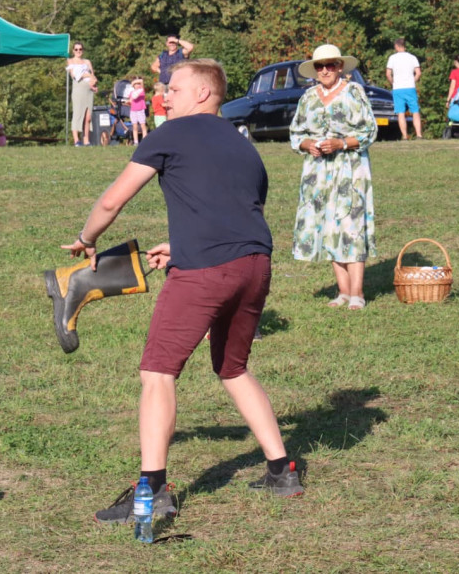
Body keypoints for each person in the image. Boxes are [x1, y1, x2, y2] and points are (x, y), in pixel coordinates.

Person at [63, 58, 304, 526]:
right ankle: (282, 470)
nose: (164, 96)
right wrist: (181, 246)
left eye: (173, 88)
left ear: (201, 94)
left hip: (206, 271)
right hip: (255, 265)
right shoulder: (243, 146)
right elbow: (236, 210)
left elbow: (114, 199)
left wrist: (87, 240)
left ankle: (151, 491)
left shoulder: (170, 134)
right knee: (233, 368)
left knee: (157, 372)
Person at [290, 44, 377, 310]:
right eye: (319, 66)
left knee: (350, 225)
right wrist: (308, 145)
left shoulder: (354, 91)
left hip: (349, 167)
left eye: (330, 65)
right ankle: (342, 291)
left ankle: (357, 293)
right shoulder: (307, 97)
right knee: (327, 226)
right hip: (317, 171)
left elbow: (369, 130)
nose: (325, 70)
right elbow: (296, 133)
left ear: (340, 66)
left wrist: (341, 144)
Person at [386, 38, 423, 140]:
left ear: (396, 46)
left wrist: (393, 82)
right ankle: (419, 135)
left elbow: (388, 74)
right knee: (415, 111)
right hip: (410, 87)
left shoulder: (392, 58)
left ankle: (405, 136)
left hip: (398, 88)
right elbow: (418, 73)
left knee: (400, 113)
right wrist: (412, 80)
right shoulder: (412, 57)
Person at [66, 41, 98, 146]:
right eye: (76, 49)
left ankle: (86, 140)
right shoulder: (70, 61)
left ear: (83, 51)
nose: (78, 51)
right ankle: (76, 140)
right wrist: (86, 75)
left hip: (88, 91)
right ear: (73, 51)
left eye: (80, 49)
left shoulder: (87, 62)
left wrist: (93, 83)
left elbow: (93, 76)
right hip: (78, 91)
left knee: (88, 117)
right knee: (77, 114)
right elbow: (74, 75)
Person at [128, 76, 148, 144]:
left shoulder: (141, 91)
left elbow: (142, 82)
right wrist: (128, 101)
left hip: (140, 110)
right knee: (135, 126)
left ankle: (145, 141)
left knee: (143, 125)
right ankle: (136, 142)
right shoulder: (132, 92)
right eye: (136, 84)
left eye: (139, 84)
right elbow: (130, 100)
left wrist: (136, 81)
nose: (138, 85)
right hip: (133, 111)